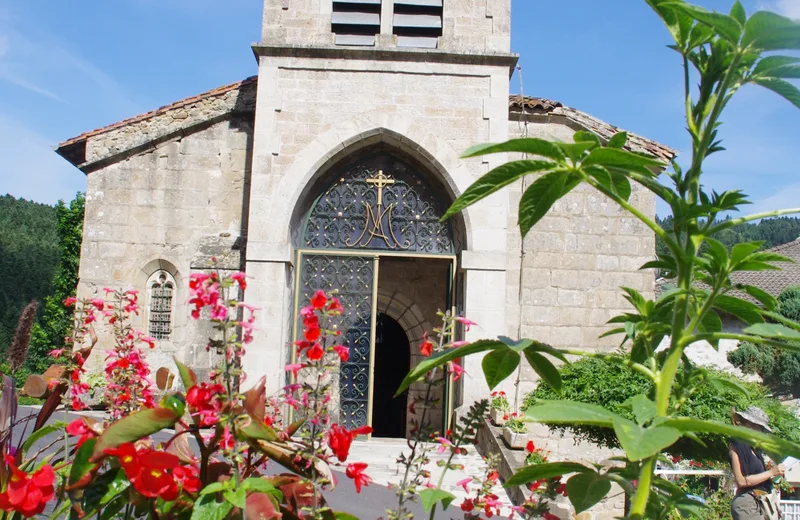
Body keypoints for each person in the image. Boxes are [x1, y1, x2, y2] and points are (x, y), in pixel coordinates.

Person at [729, 406, 785, 520]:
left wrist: (775, 475)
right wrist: (770, 472)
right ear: (750, 424)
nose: (762, 432)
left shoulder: (755, 450)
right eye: (761, 428)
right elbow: (741, 481)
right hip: (747, 504)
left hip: (761, 501)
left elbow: (760, 478)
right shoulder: (736, 445)